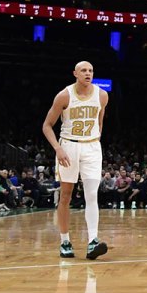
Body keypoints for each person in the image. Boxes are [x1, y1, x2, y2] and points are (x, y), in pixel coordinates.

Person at [41, 62, 109, 260]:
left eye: (90, 71)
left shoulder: (102, 95)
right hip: (69, 146)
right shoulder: (64, 95)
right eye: (84, 71)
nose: (88, 73)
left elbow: (100, 122)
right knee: (66, 195)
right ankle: (64, 241)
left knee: (92, 194)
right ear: (75, 74)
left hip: (92, 146)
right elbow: (47, 125)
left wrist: (94, 142)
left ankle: (93, 242)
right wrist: (58, 148)